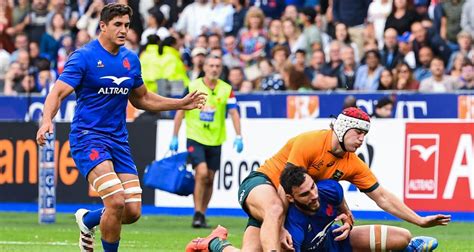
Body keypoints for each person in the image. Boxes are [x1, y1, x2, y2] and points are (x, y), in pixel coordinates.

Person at [35, 4, 207, 252]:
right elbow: (58, 92)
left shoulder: (130, 60)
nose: (124, 30)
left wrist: (180, 103)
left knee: (133, 211)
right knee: (115, 201)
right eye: (117, 24)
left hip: (118, 141)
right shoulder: (84, 57)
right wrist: (47, 120)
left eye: (126, 25)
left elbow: (142, 98)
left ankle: (88, 220)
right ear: (102, 26)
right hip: (88, 137)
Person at [228, 107, 450, 251]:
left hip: (295, 206)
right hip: (264, 183)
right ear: (343, 128)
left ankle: (216, 243)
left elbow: (382, 197)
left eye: (365, 134)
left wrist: (419, 220)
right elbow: (286, 184)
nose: (362, 139)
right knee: (275, 209)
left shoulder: (352, 163)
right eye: (358, 133)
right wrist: (279, 228)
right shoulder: (310, 142)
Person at [186, 165, 440, 252]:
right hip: (306, 245)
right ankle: (214, 243)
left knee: (402, 237)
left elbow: (340, 200)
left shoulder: (329, 189)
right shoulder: (291, 231)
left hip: (335, 241)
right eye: (305, 194)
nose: (313, 196)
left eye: (312, 188)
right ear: (292, 198)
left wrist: (348, 220)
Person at [170, 54, 243, 228]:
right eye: (211, 65)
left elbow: (233, 112)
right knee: (201, 173)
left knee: (210, 178)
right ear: (205, 68)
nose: (214, 69)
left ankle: (202, 213)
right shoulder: (193, 86)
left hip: (216, 139)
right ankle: (196, 212)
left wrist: (239, 136)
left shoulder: (226, 89)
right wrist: (174, 135)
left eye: (217, 66)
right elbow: (180, 110)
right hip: (195, 137)